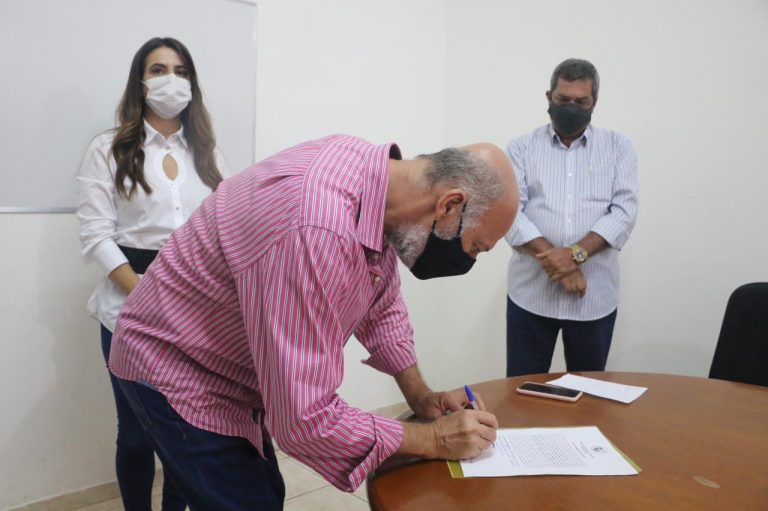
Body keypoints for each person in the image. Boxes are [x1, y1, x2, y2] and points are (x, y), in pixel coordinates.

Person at [107, 135, 519, 509]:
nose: (469, 259)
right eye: (475, 247)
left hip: (225, 364)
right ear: (449, 205)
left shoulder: (377, 186)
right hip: (175, 364)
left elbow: (381, 302)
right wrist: (433, 439)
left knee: (260, 491)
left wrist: (420, 395)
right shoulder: (314, 225)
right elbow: (305, 419)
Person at [76, 37, 229, 510]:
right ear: (140, 82)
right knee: (137, 433)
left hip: (196, 314)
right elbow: (96, 234)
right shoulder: (109, 148)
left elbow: (225, 226)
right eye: (158, 69)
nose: (171, 80)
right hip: (128, 310)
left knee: (184, 433)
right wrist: (143, 295)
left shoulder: (207, 153)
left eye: (181, 71)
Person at [504, 58, 639, 377]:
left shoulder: (618, 147)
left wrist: (575, 255)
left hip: (594, 299)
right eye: (563, 99)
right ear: (549, 96)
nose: (571, 108)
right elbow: (510, 212)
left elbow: (624, 211)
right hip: (530, 296)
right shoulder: (521, 148)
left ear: (595, 102)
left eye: (581, 102)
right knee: (521, 390)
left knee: (589, 391)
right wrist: (560, 264)